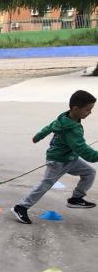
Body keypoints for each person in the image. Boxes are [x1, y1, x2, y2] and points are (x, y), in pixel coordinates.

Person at [12, 90, 98, 224]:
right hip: (57, 161)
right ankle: (21, 207)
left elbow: (50, 126)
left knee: (89, 172)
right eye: (88, 110)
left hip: (70, 159)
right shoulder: (71, 129)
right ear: (76, 109)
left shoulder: (65, 118)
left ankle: (76, 199)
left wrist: (38, 136)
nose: (90, 112)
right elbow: (82, 148)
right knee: (45, 185)